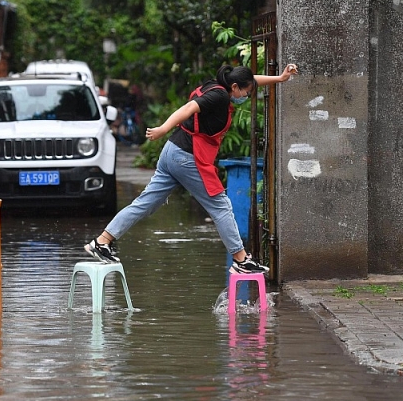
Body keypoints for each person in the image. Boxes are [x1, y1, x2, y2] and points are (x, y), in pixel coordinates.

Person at [85, 63, 298, 273]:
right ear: (234, 87)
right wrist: (162, 128)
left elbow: (252, 81)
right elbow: (188, 108)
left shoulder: (216, 86)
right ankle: (241, 260)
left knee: (145, 203)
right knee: (220, 206)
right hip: (188, 157)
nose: (248, 94)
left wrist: (279, 79)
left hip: (172, 151)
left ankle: (102, 242)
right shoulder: (220, 96)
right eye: (247, 91)